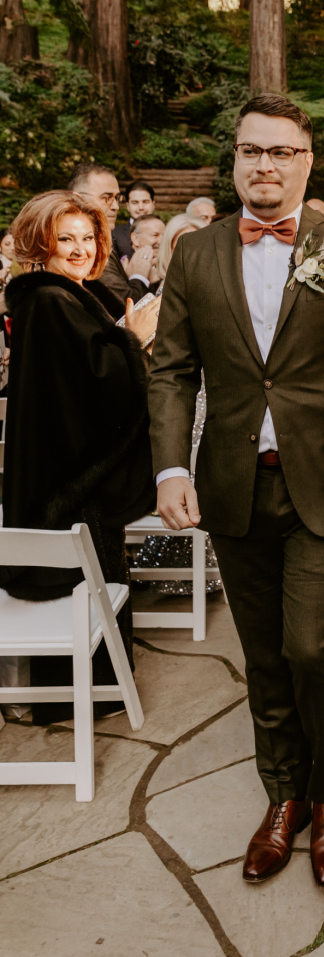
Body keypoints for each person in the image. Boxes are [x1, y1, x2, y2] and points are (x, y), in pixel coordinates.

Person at [148, 93, 324, 889]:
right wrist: (170, 468)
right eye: (251, 150)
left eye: (281, 152)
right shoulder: (194, 254)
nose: (264, 164)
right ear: (234, 160)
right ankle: (283, 795)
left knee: (314, 646)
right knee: (264, 654)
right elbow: (171, 369)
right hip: (233, 485)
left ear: (306, 162)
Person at [0, 190, 158, 722]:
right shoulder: (47, 299)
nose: (80, 249)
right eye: (65, 238)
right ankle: (79, 696)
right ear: (39, 245)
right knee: (80, 586)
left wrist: (125, 343)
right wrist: (132, 341)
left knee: (93, 580)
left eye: (88, 238)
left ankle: (93, 692)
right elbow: (94, 383)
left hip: (64, 470)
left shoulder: (63, 296)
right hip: (68, 479)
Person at [68, 164, 154, 313]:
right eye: (106, 198)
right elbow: (125, 307)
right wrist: (139, 276)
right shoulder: (86, 248)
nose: (115, 206)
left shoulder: (100, 239)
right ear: (78, 199)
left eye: (116, 198)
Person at [152, 214, 202, 287]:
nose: (190, 254)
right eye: (182, 248)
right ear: (169, 249)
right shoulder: (159, 285)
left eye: (197, 247)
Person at [113, 179, 156, 260]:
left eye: (145, 202)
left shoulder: (166, 233)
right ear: (128, 206)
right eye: (135, 202)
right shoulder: (115, 234)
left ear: (153, 204)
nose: (141, 207)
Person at [130, 213, 165, 285]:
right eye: (155, 235)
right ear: (135, 238)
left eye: (164, 235)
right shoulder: (124, 266)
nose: (162, 241)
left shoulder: (168, 264)